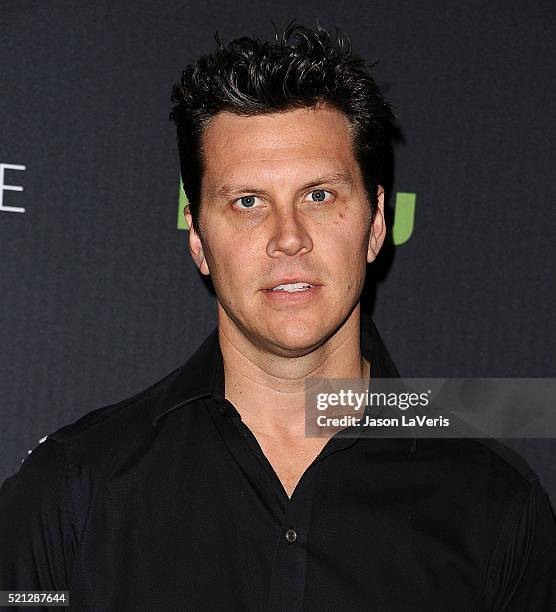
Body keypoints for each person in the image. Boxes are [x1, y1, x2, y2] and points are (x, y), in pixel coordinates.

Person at [1, 20, 555, 611]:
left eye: (319, 196)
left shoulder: (496, 504)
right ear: (198, 239)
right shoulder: (70, 492)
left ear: (375, 224)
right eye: (247, 202)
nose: (288, 238)